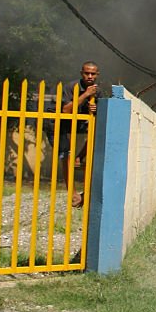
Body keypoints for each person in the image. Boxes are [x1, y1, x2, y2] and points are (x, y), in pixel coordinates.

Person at [61, 61, 100, 207]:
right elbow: (65, 110)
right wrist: (86, 95)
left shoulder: (98, 91)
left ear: (97, 75)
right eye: (86, 73)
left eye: (93, 74)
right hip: (62, 124)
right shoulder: (71, 87)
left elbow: (99, 114)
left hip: (81, 124)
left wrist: (96, 108)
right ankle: (72, 194)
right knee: (65, 156)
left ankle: (80, 157)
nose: (90, 76)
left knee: (97, 131)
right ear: (81, 73)